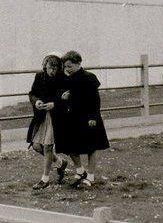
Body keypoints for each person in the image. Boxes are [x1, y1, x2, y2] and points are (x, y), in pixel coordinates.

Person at [58, 50, 110, 188]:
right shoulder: (68, 79)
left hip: (88, 117)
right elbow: (68, 95)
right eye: (65, 66)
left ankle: (91, 176)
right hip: (72, 117)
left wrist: (93, 116)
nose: (67, 69)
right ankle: (80, 171)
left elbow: (95, 99)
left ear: (78, 63)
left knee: (91, 147)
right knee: (70, 146)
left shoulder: (89, 77)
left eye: (69, 66)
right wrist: (64, 96)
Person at [27, 53, 68, 189]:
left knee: (48, 146)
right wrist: (37, 101)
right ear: (45, 66)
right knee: (37, 146)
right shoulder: (39, 77)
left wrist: (54, 104)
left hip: (57, 117)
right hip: (41, 116)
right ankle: (60, 163)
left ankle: (45, 179)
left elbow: (66, 98)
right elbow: (32, 94)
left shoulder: (63, 79)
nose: (53, 71)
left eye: (55, 68)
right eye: (50, 67)